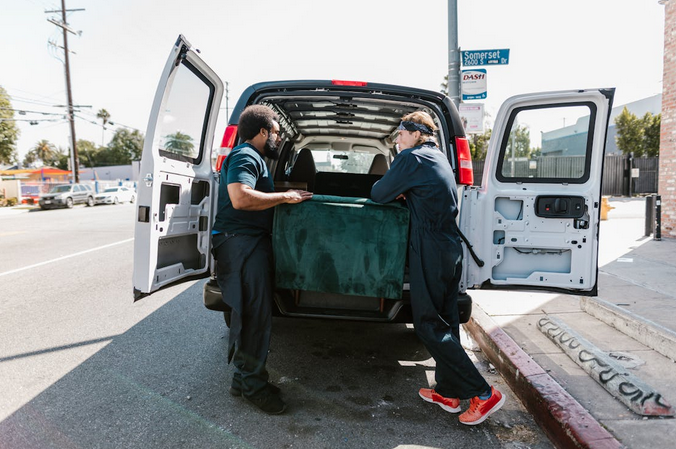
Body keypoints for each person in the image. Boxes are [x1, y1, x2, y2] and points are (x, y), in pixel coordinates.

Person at [370, 111, 504, 425]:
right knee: (446, 321)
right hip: (450, 247)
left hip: (429, 247)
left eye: (402, 132)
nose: (398, 138)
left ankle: (483, 393)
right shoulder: (439, 157)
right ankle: (448, 391)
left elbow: (378, 193)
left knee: (429, 324)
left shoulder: (411, 158)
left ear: (416, 133)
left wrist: (400, 188)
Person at [212, 104, 312, 415]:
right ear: (263, 131)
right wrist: (285, 196)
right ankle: (254, 388)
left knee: (251, 315)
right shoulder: (246, 156)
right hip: (240, 244)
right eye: (277, 133)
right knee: (254, 318)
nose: (279, 138)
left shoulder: (253, 157)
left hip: (246, 243)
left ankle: (243, 381)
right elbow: (240, 197)